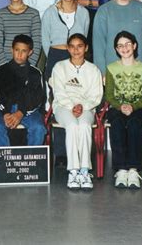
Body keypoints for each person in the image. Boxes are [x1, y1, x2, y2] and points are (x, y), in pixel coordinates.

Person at [51, 33, 103, 190]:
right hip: (63, 107)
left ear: (86, 48)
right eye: (72, 46)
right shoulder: (59, 67)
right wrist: (72, 105)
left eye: (79, 46)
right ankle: (73, 171)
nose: (76, 50)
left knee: (85, 125)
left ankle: (85, 171)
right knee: (73, 125)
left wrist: (83, 106)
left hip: (86, 107)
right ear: (67, 48)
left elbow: (96, 95)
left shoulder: (93, 69)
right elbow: (58, 92)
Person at [105, 31, 142, 189]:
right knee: (117, 122)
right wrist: (120, 106)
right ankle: (121, 169)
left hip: (138, 108)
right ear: (116, 49)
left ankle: (133, 169)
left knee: (134, 123)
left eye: (127, 44)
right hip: (116, 107)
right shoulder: (111, 68)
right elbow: (109, 95)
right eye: (120, 45)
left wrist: (133, 106)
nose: (124, 48)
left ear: (134, 45)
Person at [0, 34, 46, 146]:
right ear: (12, 50)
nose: (19, 54)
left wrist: (21, 112)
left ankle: (32, 160)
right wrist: (5, 113)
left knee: (39, 128)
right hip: (4, 110)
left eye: (24, 51)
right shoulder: (1, 70)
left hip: (28, 110)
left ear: (30, 52)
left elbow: (38, 99)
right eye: (17, 50)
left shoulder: (35, 73)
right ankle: (6, 159)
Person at [42, 0, 89, 81]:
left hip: (76, 57)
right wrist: (51, 57)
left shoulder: (84, 13)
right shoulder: (50, 12)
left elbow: (84, 37)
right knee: (55, 93)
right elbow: (45, 39)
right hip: (55, 56)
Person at [0, 0, 41, 66]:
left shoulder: (33, 13)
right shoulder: (1, 14)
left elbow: (37, 42)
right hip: (7, 62)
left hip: (27, 63)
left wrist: (29, 65)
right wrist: (4, 65)